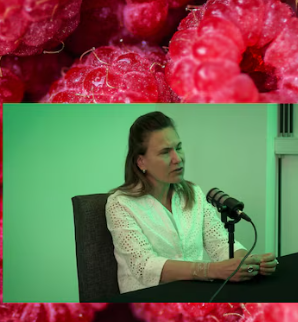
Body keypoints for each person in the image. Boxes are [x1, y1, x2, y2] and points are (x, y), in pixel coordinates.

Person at [105, 111, 278, 293]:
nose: (177, 158)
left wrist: (248, 262)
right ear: (141, 162)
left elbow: (220, 243)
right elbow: (144, 266)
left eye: (178, 147)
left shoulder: (194, 193)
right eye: (165, 152)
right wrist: (211, 270)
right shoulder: (120, 204)